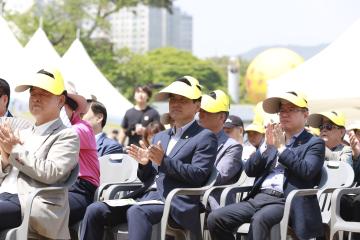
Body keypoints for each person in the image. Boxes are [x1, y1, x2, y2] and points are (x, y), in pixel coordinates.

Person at [80, 75, 218, 240]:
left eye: (183, 100)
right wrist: (144, 165)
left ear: (197, 106)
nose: (175, 103)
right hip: (146, 197)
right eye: (172, 99)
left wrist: (164, 161)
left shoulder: (205, 136)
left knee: (137, 211)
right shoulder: (162, 135)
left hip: (175, 201)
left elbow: (198, 176)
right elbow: (150, 176)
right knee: (95, 210)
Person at [207, 91, 325, 240]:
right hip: (259, 197)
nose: (284, 114)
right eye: (282, 110)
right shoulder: (272, 140)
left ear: (305, 114)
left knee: (260, 219)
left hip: (287, 200)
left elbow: (307, 171)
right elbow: (250, 170)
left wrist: (281, 149)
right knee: (216, 218)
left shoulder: (314, 143)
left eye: (291, 110)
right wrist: (265, 147)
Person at [0, 68, 80, 239]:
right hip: (5, 198)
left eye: (43, 93)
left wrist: (14, 151)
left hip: (29, 203)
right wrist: (5, 160)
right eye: (32, 93)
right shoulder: (22, 132)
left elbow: (51, 173)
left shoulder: (67, 135)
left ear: (60, 100)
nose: (35, 97)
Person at [63, 83, 100, 227]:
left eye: (63, 102)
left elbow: (64, 136)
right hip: (60, 187)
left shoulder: (82, 128)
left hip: (81, 190)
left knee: (45, 209)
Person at [199, 89, 243, 209]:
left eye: (206, 111)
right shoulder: (193, 139)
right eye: (200, 110)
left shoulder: (233, 147)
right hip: (188, 198)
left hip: (212, 204)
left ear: (221, 117)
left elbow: (216, 178)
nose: (200, 114)